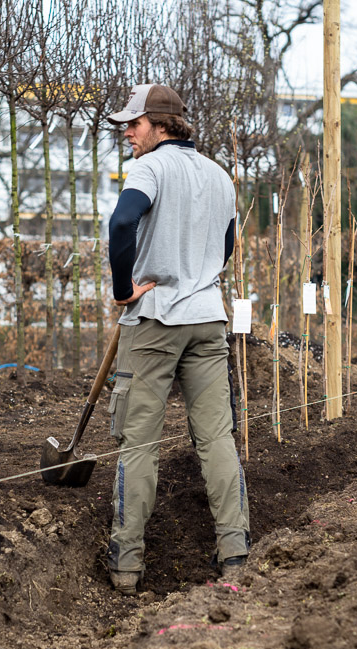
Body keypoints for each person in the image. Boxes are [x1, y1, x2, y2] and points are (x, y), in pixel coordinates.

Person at [104, 84, 249, 596]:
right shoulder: (220, 176)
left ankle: (126, 563)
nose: (127, 132)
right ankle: (235, 552)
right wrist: (199, 276)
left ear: (161, 125)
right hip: (209, 319)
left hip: (153, 320)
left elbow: (122, 224)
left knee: (137, 441)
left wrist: (125, 289)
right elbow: (227, 246)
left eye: (134, 123)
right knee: (217, 438)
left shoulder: (149, 169)